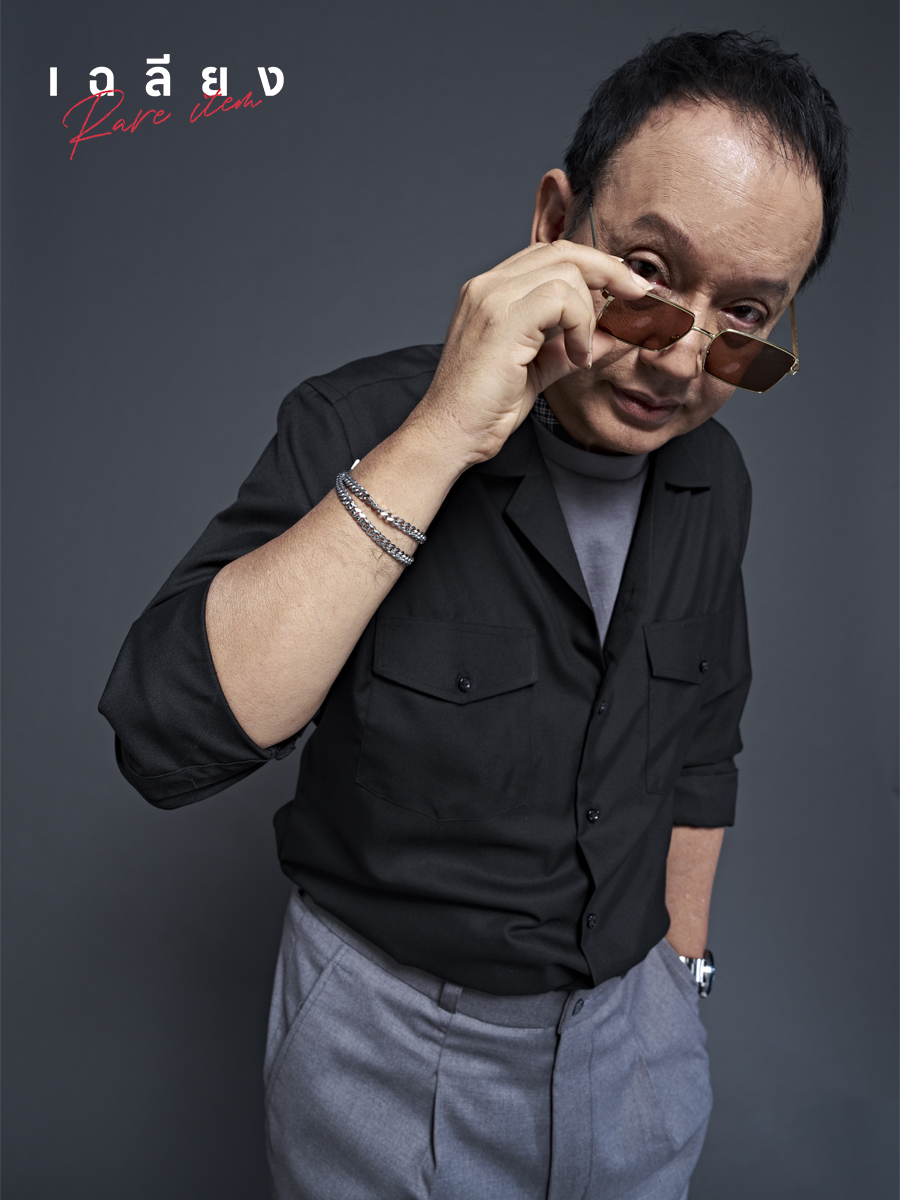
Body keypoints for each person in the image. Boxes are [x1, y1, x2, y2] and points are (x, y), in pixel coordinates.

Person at [100, 29, 848, 1200]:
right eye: (649, 276)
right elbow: (167, 738)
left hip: (634, 1047)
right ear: (554, 224)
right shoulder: (357, 422)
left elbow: (704, 743)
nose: (684, 361)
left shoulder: (716, 482)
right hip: (388, 1058)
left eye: (745, 319)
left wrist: (683, 978)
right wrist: (446, 431)